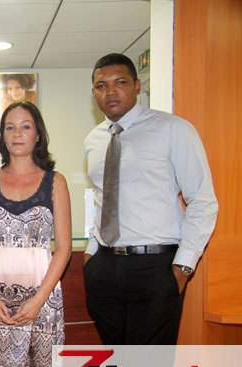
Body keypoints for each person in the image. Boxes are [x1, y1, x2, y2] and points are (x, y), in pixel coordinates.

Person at [83, 53, 218, 345]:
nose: (110, 91)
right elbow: (104, 198)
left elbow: (203, 200)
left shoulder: (173, 129)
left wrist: (183, 267)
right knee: (117, 365)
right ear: (94, 92)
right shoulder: (94, 139)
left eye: (120, 82)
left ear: (137, 85)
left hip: (155, 267)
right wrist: (91, 254)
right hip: (104, 267)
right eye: (101, 85)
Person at [0, 101, 72, 367]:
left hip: (41, 299)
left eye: (26, 126)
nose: (17, 133)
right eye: (10, 127)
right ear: (2, 135)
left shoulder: (56, 182)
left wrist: (38, 301)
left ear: (38, 135)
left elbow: (64, 248)